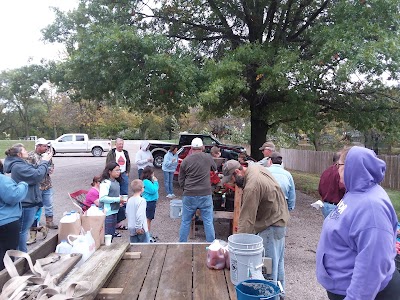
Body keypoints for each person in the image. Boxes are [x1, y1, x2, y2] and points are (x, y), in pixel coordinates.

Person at [316, 146, 400, 299]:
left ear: (350, 167)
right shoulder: (354, 192)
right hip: (341, 286)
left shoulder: (371, 208)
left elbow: (372, 265)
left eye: (338, 166)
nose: (336, 170)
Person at [221, 160, 289, 293]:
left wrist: (236, 247)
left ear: (237, 172)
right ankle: (280, 294)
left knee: (267, 269)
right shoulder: (255, 167)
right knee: (278, 264)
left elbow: (247, 220)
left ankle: (270, 295)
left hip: (271, 225)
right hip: (279, 219)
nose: (234, 183)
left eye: (233, 180)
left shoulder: (252, 186)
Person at [3, 143, 52, 252]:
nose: (27, 152)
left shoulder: (21, 164)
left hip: (29, 202)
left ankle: (19, 257)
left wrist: (45, 165)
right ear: (19, 154)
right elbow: (36, 176)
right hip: (26, 204)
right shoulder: (18, 167)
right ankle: (22, 259)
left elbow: (35, 170)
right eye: (24, 150)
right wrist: (44, 162)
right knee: (22, 232)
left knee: (22, 231)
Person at [178, 137, 217, 242]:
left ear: (191, 148)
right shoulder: (207, 157)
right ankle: (212, 246)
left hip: (189, 194)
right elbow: (215, 168)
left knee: (185, 221)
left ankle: (181, 245)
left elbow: (180, 179)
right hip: (205, 194)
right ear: (202, 147)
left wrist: (185, 189)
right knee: (208, 221)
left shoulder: (186, 161)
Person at [0, 162, 28, 270]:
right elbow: (13, 196)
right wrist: (22, 185)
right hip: (6, 222)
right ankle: (5, 281)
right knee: (6, 255)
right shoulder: (2, 180)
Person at [99, 162, 124, 237]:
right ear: (110, 172)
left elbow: (114, 194)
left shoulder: (116, 182)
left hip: (114, 210)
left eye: (119, 170)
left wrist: (120, 201)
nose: (118, 172)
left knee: (111, 234)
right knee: (107, 236)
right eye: (116, 170)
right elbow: (102, 198)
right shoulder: (105, 183)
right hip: (107, 212)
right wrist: (117, 199)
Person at [318, 151, 346, 218]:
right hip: (337, 207)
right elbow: (343, 188)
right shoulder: (339, 172)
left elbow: (320, 189)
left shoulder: (326, 171)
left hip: (326, 205)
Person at [141, 166, 159, 241]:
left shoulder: (147, 181)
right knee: (148, 219)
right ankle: (147, 235)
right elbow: (153, 190)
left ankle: (147, 233)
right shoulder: (146, 182)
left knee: (149, 219)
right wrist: (156, 182)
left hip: (151, 201)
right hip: (149, 202)